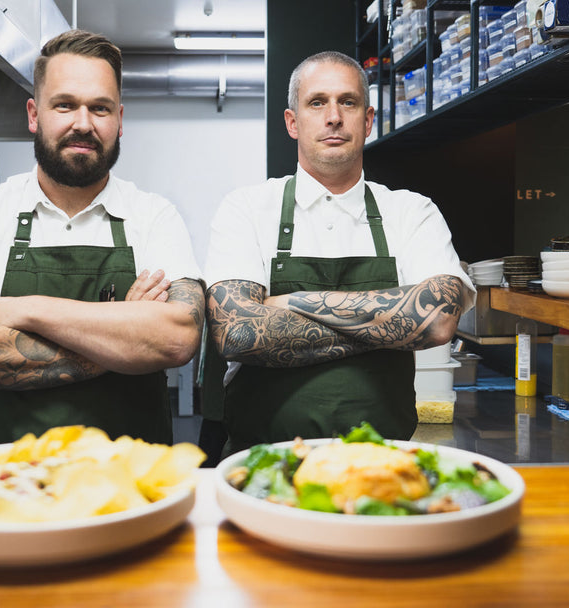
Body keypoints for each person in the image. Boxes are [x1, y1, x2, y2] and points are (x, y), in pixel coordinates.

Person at [0, 29, 204, 446]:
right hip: (3, 482)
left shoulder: (153, 216)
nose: (83, 123)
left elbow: (178, 338)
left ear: (120, 120)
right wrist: (124, 340)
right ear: (34, 114)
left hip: (132, 485)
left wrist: (27, 310)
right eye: (65, 105)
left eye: (100, 108)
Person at [203, 51, 475, 454]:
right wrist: (390, 329)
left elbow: (436, 320)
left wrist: (289, 304)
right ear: (292, 122)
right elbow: (239, 332)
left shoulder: (410, 211)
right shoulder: (246, 208)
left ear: (367, 121)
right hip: (261, 461)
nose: (334, 116)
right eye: (317, 102)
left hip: (383, 462)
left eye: (347, 102)